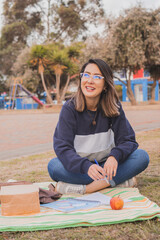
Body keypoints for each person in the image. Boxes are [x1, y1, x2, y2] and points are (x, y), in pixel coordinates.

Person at [48, 59, 149, 195]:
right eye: (86, 75)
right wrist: (85, 166)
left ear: (105, 85)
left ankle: (88, 189)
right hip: (83, 169)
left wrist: (114, 157)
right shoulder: (69, 109)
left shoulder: (114, 107)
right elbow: (62, 148)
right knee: (54, 167)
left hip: (107, 166)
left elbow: (128, 140)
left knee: (141, 157)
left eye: (97, 77)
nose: (90, 80)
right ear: (81, 78)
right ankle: (115, 182)